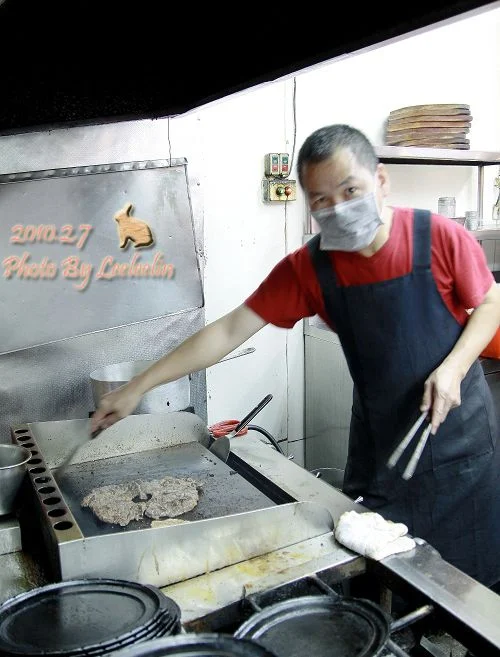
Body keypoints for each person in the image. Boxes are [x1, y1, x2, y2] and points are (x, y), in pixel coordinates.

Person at [92, 123, 500, 592]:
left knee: (465, 584)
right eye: (322, 200)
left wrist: (454, 367)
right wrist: (136, 387)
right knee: (377, 575)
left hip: (456, 441)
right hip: (382, 441)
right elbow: (229, 329)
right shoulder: (311, 268)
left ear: (381, 181)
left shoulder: (437, 237)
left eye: (351, 190)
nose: (338, 208)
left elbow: (490, 302)